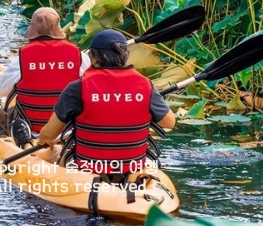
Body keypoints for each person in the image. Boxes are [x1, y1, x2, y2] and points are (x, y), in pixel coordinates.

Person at [37, 28, 176, 176]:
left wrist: (43, 142)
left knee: (54, 151)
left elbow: (48, 135)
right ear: (125, 56)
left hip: (88, 169)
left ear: (93, 57)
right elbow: (169, 123)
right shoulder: (145, 85)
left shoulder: (77, 88)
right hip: (131, 168)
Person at [0, 7, 90, 139]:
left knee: (4, 110)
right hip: (69, 131)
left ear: (33, 30)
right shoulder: (79, 56)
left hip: (30, 131)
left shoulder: (22, 58)